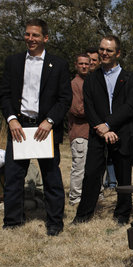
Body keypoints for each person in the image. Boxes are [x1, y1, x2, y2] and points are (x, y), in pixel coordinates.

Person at [0, 19, 72, 236]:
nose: (30, 39)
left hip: (45, 130)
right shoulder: (13, 62)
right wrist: (11, 118)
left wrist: (49, 121)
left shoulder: (58, 64)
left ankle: (54, 223)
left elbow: (64, 98)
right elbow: (4, 94)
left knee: (51, 178)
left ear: (45, 38)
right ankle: (12, 222)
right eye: (28, 34)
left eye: (35, 35)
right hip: (19, 128)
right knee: (13, 177)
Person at [73, 35, 133, 225]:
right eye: (101, 49)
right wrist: (102, 130)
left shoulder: (130, 78)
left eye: (109, 50)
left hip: (122, 133)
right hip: (98, 134)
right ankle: (83, 215)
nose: (104, 53)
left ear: (117, 53)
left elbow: (130, 107)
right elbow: (89, 106)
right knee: (91, 174)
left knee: (123, 176)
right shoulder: (92, 79)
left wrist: (109, 125)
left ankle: (122, 215)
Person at [68, 53, 91, 205]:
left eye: (86, 64)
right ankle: (75, 198)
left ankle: (93, 194)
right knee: (79, 166)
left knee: (91, 166)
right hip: (79, 133)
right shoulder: (74, 84)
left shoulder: (90, 82)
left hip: (90, 132)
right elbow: (77, 110)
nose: (84, 66)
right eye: (81, 63)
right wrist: (98, 113)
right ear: (76, 65)